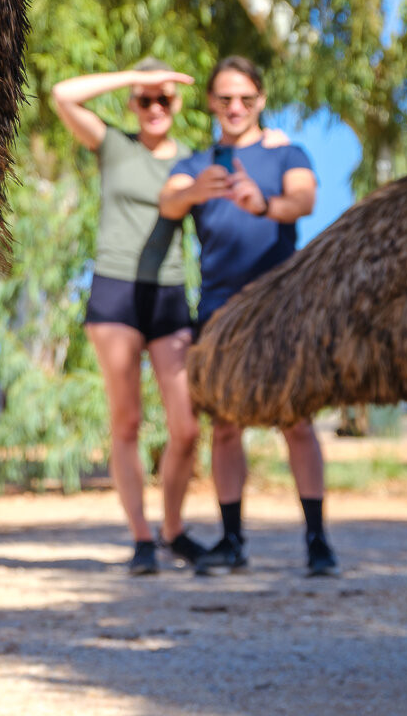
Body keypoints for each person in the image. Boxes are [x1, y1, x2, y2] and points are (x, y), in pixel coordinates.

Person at [52, 59, 292, 575]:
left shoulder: (193, 159)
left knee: (186, 428)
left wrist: (274, 140)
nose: (156, 107)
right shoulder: (115, 145)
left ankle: (173, 530)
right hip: (116, 293)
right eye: (146, 99)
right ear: (133, 103)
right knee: (128, 421)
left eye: (165, 99)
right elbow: (63, 95)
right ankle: (141, 538)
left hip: (168, 295)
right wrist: (129, 77)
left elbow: (255, 158)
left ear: (181, 105)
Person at [158, 55, 338, 578]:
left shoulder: (288, 153)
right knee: (226, 427)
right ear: (212, 103)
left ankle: (317, 541)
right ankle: (233, 541)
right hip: (218, 313)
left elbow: (304, 200)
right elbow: (168, 203)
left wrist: (263, 203)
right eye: (225, 98)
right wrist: (195, 191)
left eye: (246, 98)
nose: (235, 107)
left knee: (296, 421)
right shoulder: (198, 164)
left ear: (260, 100)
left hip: (280, 308)